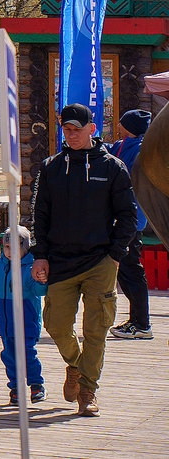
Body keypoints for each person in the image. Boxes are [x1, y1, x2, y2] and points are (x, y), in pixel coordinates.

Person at [31, 102, 138, 417]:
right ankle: (76, 365)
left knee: (97, 328)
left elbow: (128, 217)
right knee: (55, 323)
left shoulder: (113, 167)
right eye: (67, 128)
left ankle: (88, 391)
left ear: (92, 129)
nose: (72, 134)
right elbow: (40, 216)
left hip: (99, 261)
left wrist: (115, 256)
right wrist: (40, 255)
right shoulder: (51, 167)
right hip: (60, 262)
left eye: (77, 128)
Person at [0, 225, 47, 405]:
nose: (11, 251)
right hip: (6, 322)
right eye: (7, 247)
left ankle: (36, 384)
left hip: (26, 320)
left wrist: (42, 281)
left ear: (26, 247)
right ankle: (15, 387)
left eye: (16, 247)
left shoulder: (31, 267)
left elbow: (39, 290)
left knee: (28, 354)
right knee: (9, 355)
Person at [106, 108, 154, 340]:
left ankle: (141, 324)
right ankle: (137, 321)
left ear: (131, 127)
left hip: (132, 219)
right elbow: (108, 154)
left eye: (123, 122)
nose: (118, 124)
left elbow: (122, 173)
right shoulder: (123, 144)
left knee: (131, 271)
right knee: (126, 273)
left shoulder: (140, 150)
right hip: (120, 218)